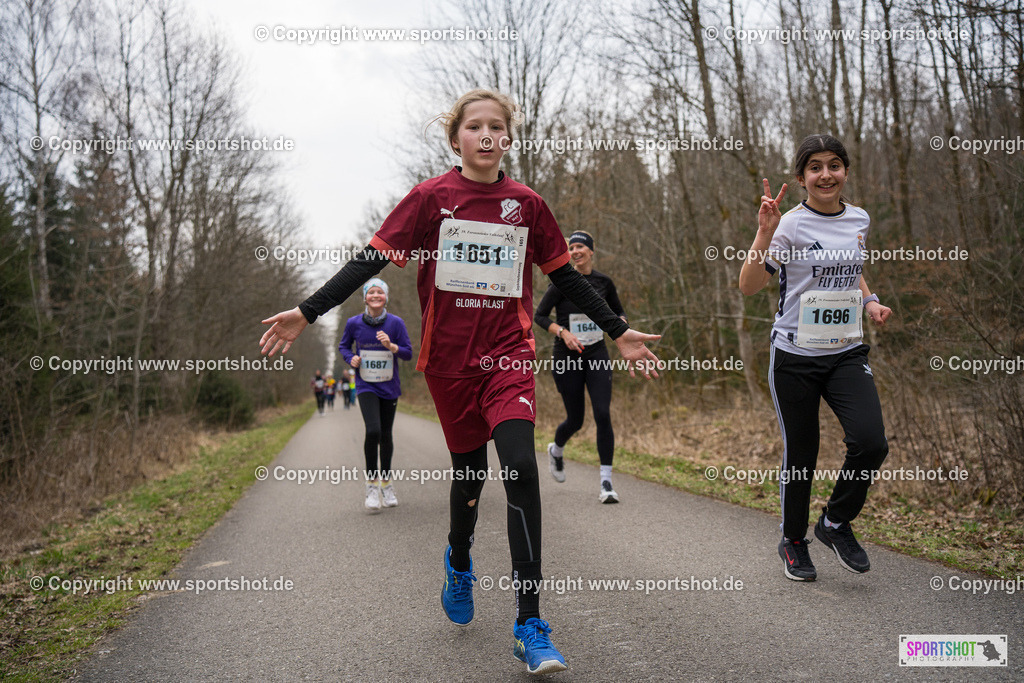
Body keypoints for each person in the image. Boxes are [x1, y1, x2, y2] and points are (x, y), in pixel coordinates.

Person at [260, 89, 661, 675]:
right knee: (470, 476)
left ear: (509, 138)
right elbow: (369, 260)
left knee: (520, 470)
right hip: (450, 365)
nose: (487, 134)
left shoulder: (527, 205)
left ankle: (529, 623)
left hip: (508, 357)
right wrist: (309, 310)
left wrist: (618, 330)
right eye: (475, 126)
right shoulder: (430, 199)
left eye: (497, 126)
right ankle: (460, 555)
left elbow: (564, 280)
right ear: (456, 139)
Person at [738, 134, 892, 582]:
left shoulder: (859, 218)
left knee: (871, 441)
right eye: (815, 167)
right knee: (802, 454)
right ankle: (793, 541)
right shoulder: (789, 225)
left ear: (845, 171)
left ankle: (835, 523)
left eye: (834, 165)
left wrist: (870, 301)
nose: (826, 175)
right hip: (794, 356)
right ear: (802, 177)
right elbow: (748, 286)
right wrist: (764, 232)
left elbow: (851, 266)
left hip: (845, 351)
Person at [534, 230, 626, 503]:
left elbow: (619, 312)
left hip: (597, 354)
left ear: (591, 251)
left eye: (580, 247)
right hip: (567, 357)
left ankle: (606, 482)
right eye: (571, 247)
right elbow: (539, 315)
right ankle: (557, 449)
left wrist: (622, 328)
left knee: (602, 414)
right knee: (575, 419)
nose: (575, 251)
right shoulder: (561, 282)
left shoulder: (604, 283)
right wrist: (563, 332)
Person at [339, 278, 412, 512]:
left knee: (386, 435)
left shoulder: (396, 323)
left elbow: (409, 353)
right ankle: (371, 486)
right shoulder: (353, 323)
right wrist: (351, 358)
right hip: (365, 385)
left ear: (386, 297)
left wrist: (392, 346)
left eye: (380, 292)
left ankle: (386, 484)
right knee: (373, 431)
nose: (376, 295)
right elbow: (343, 346)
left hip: (389, 386)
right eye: (372, 292)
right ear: (365, 298)